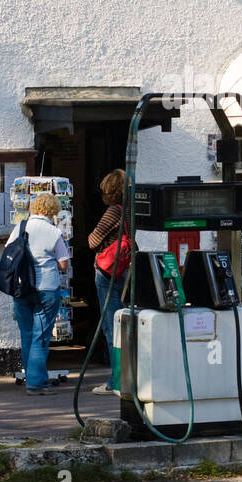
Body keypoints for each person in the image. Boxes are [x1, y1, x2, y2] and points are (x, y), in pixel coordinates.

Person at [6, 192, 70, 395]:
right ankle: (36, 384)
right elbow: (63, 264)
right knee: (40, 336)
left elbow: (8, 251)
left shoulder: (20, 227)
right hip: (46, 288)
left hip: (21, 287)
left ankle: (30, 378)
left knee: (26, 333)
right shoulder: (53, 232)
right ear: (53, 210)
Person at [86, 169, 128, 395]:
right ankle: (127, 376)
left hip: (107, 270)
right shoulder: (131, 210)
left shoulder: (113, 211)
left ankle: (117, 381)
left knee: (112, 326)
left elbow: (93, 240)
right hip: (125, 269)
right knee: (123, 322)